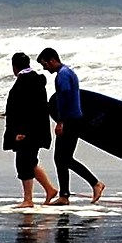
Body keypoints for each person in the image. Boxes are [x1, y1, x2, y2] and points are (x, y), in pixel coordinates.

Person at [37, 47, 104, 204]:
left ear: (52, 60)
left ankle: (95, 183)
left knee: (63, 158)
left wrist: (61, 122)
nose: (45, 68)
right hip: (74, 120)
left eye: (45, 64)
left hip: (70, 121)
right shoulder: (68, 72)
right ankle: (64, 195)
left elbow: (65, 98)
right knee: (62, 159)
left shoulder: (63, 76)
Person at [5, 51, 59, 207]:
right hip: (38, 129)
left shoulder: (25, 82)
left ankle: (28, 200)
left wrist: (20, 132)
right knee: (30, 162)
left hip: (27, 131)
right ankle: (49, 189)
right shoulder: (34, 80)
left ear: (15, 67)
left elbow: (25, 111)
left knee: (23, 163)